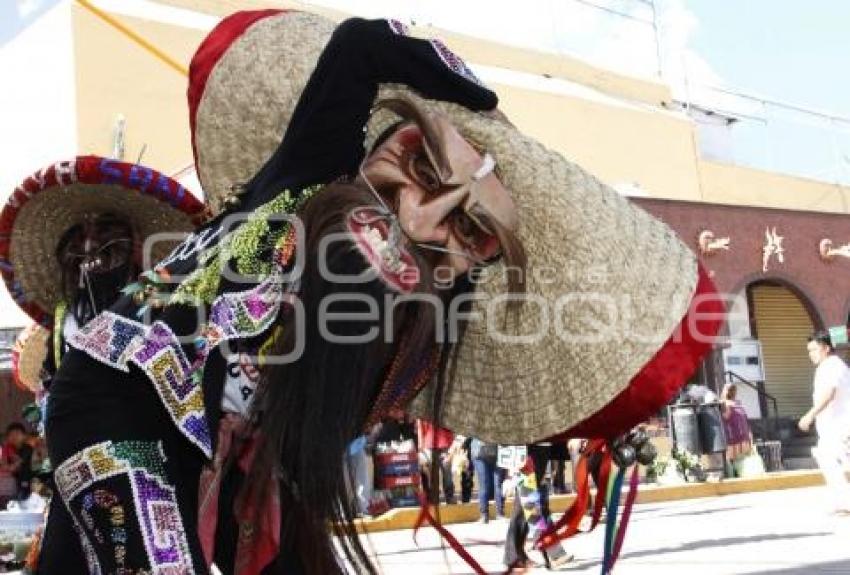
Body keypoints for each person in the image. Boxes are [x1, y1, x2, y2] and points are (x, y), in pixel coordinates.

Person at [36, 10, 722, 575]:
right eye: (421, 165)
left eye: (466, 224)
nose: (419, 215)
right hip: (114, 390)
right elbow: (362, 45)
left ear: (467, 266)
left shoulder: (410, 336)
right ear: (378, 144)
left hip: (222, 450)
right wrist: (478, 102)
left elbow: (300, 444)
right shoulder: (310, 171)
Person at [798, 332, 850, 514]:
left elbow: (830, 393)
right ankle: (842, 502)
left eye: (814, 349)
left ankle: (844, 503)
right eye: (809, 350)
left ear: (826, 348)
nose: (810, 354)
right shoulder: (830, 366)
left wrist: (809, 415)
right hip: (833, 427)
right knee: (829, 460)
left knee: (829, 460)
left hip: (839, 426)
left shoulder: (831, 366)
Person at [470, 437, 504, 523]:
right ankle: (484, 514)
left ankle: (499, 514)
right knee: (485, 484)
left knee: (498, 484)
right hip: (480, 453)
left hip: (498, 451)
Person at [720, 383, 754, 463]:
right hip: (733, 438)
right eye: (731, 390)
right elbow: (725, 417)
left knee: (742, 460)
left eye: (733, 390)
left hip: (742, 437)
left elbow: (745, 420)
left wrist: (749, 434)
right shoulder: (725, 404)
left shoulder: (737, 404)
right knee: (737, 460)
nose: (733, 392)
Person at [1, 423, 33, 502]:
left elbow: (19, 462)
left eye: (17, 434)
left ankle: (24, 493)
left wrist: (11, 467)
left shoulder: (27, 448)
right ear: (7, 437)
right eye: (11, 434)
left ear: (24, 436)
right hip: (13, 478)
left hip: (26, 476)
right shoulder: (8, 448)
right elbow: (4, 462)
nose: (14, 437)